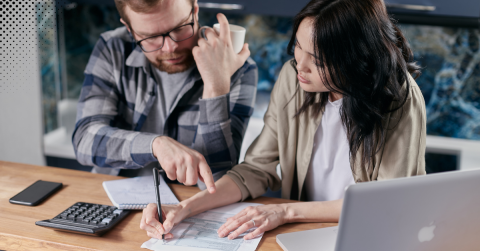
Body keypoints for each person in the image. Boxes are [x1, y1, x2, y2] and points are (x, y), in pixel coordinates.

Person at [140, 0, 426, 241]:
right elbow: (255, 170)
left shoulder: (400, 99)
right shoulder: (294, 79)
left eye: (319, 60)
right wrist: (186, 207)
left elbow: (386, 203)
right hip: (303, 232)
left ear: (356, 60)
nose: (300, 64)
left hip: (367, 236)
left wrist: (285, 211)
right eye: (298, 46)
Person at [72, 0, 258, 192]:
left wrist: (215, 87)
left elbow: (216, 182)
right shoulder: (113, 49)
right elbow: (84, 141)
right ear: (129, 29)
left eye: (179, 28)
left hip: (193, 206)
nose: (170, 48)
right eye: (150, 37)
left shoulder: (238, 67)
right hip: (112, 196)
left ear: (194, 10)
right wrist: (155, 145)